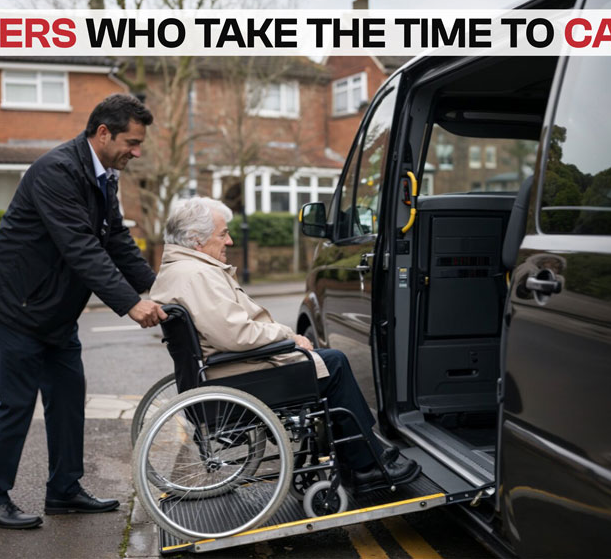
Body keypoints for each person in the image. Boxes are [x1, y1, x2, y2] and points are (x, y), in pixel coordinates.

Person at [0, 93, 167, 529]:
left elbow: (115, 240)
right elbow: (81, 247)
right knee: (17, 403)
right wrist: (132, 304)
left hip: (55, 310)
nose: (137, 152)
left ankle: (64, 490)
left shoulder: (105, 175)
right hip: (16, 305)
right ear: (102, 133)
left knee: (67, 398)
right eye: (131, 142)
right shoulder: (56, 171)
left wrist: (161, 288)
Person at [149, 197, 419, 488]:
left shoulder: (180, 270)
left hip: (223, 373)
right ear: (196, 240)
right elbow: (237, 335)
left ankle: (356, 456)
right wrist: (288, 337)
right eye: (223, 233)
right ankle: (367, 466)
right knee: (334, 364)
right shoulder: (197, 275)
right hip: (237, 377)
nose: (229, 241)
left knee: (324, 361)